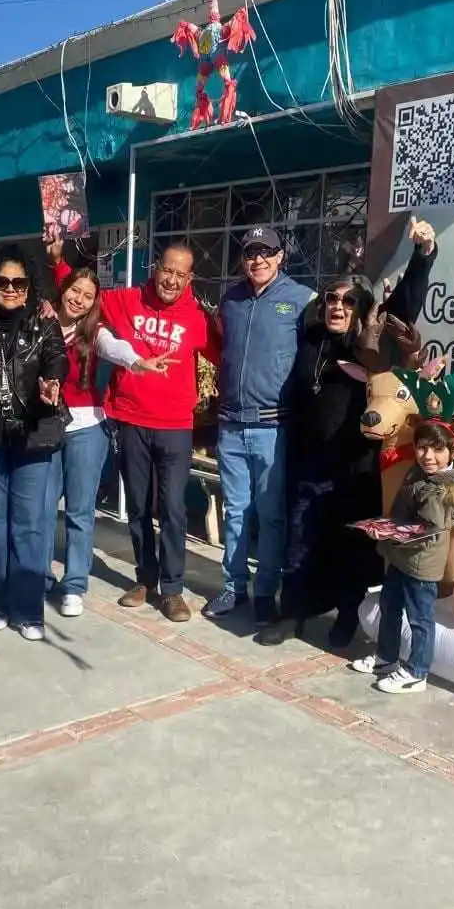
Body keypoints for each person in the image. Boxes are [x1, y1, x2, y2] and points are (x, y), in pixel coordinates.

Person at [256, 218, 437, 647]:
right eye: (332, 299)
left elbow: (405, 308)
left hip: (356, 468)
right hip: (310, 463)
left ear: (362, 308)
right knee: (301, 543)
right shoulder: (312, 338)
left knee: (351, 548)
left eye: (349, 301)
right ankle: (293, 613)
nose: (337, 306)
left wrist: (423, 255)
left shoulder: (373, 346)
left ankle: (347, 615)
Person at [45, 250, 176, 617]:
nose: (80, 300)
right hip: (44, 426)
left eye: (88, 296)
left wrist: (139, 362)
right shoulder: (43, 320)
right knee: (41, 509)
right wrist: (56, 259)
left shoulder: (95, 331)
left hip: (86, 427)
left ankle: (73, 585)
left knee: (79, 511)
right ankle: (39, 576)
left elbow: (116, 349)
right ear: (64, 289)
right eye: (75, 291)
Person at [100, 244, 222, 623]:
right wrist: (57, 271)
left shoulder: (198, 317)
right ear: (156, 268)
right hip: (132, 419)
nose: (171, 279)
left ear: (190, 279)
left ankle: (171, 590)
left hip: (175, 426)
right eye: (166, 270)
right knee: (138, 506)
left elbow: (228, 355)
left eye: (180, 274)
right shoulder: (130, 299)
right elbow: (83, 298)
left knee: (172, 510)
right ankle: (145, 579)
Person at [203, 226, 314, 626]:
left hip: (273, 427)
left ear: (281, 256)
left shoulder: (301, 300)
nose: (258, 260)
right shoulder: (230, 300)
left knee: (270, 516)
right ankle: (235, 586)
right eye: (251, 253)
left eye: (266, 252)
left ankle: (266, 590)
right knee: (235, 512)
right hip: (231, 425)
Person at [0, 247, 68, 640]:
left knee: (28, 525)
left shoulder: (43, 324)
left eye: (19, 283)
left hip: (33, 433)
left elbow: (57, 358)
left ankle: (29, 611)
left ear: (29, 289)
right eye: (3, 282)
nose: (10, 289)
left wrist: (52, 381)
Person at [351, 421, 454, 694]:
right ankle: (385, 658)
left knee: (420, 619)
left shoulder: (445, 488)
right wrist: (385, 529)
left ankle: (416, 671)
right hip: (401, 556)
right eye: (422, 448)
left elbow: (428, 530)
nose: (428, 456)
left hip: (422, 563)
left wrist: (391, 533)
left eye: (437, 450)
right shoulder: (419, 471)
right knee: (390, 607)